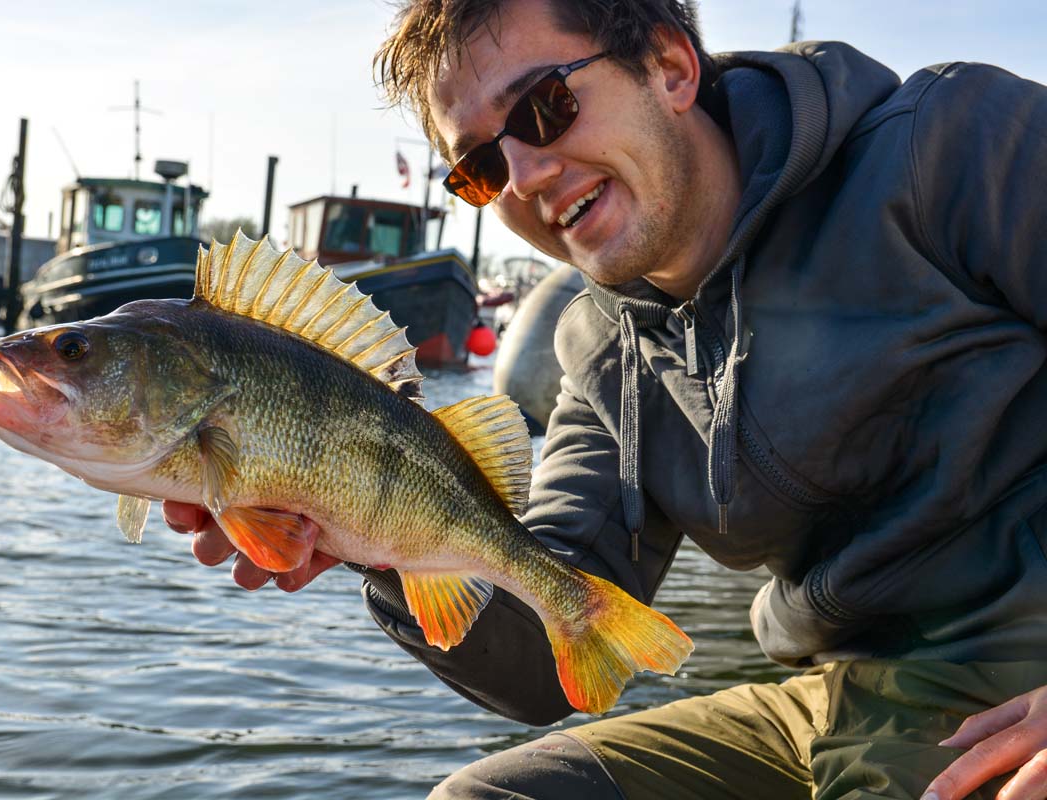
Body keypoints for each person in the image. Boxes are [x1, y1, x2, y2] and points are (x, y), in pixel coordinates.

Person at [163, 0, 1047, 797]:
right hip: (833, 695)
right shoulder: (599, 351)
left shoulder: (951, 143)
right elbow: (548, 663)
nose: (522, 178)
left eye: (544, 107)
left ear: (670, 67)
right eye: (477, 168)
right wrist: (370, 535)